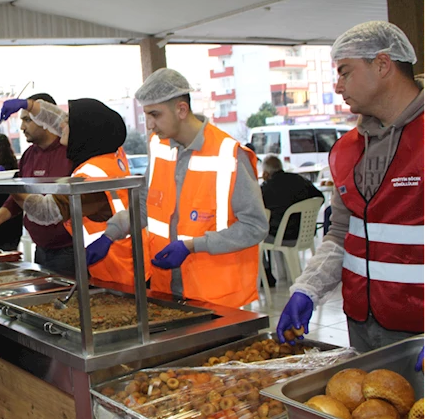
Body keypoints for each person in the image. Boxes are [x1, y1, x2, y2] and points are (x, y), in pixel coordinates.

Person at [277, 21, 424, 359]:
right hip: (362, 325)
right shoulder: (346, 151)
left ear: (383, 64)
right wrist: (308, 289)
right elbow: (341, 233)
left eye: (345, 72)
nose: (338, 84)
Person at [84, 69, 268, 308]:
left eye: (155, 114)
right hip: (167, 290)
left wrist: (192, 246)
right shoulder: (161, 149)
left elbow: (255, 227)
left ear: (181, 110)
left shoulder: (229, 154)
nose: (149, 124)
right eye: (146, 115)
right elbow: (145, 206)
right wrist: (110, 234)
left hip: (217, 297)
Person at [0, 97, 138, 284]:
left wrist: (9, 184)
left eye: (69, 122)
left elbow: (45, 211)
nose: (61, 124)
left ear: (84, 131)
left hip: (115, 271)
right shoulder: (108, 152)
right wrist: (29, 106)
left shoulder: (90, 177)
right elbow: (57, 119)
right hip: (117, 263)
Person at [0, 94, 76, 274]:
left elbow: (52, 208)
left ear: (44, 118)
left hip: (71, 250)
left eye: (27, 120)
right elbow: (19, 195)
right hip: (41, 249)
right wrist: (0, 215)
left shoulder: (71, 152)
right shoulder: (28, 156)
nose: (22, 127)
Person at [260, 155, 324, 286]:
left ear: (266, 173)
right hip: (305, 235)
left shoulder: (265, 189)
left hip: (280, 237)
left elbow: (257, 210)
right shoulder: (299, 180)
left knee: (255, 236)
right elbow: (320, 197)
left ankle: (266, 275)